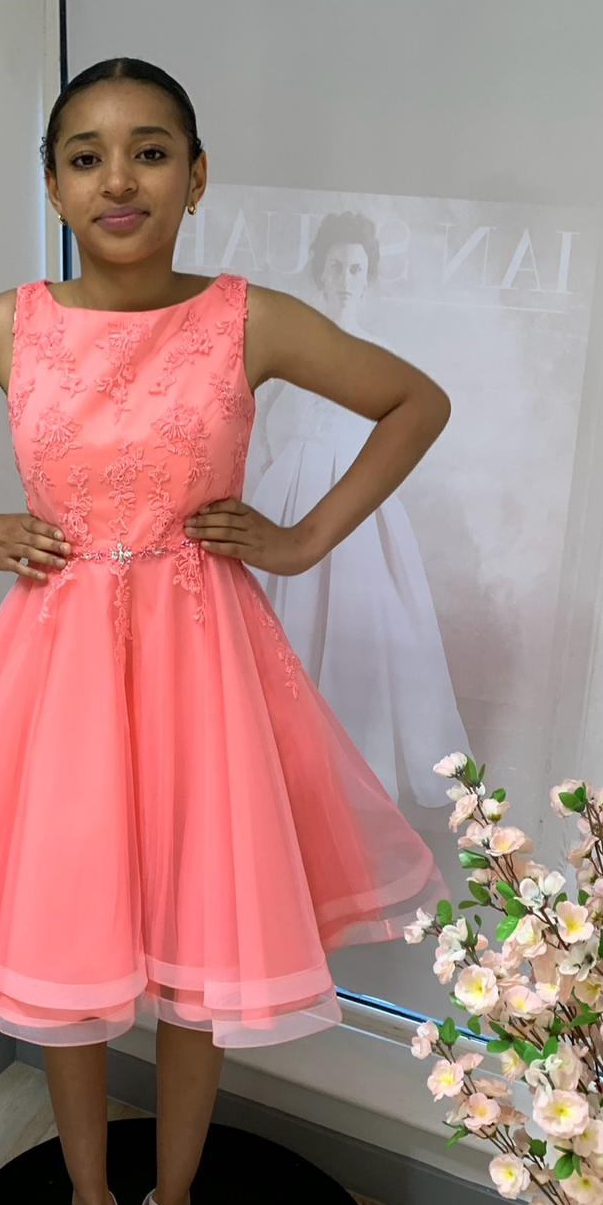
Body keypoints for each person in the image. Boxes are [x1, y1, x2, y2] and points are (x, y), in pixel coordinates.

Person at [0, 57, 453, 1205]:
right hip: (58, 674)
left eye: (151, 150)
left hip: (206, 670)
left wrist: (301, 539)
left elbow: (414, 401)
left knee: (201, 951)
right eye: (87, 155)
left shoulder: (245, 319)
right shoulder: (7, 327)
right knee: (66, 949)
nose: (119, 178)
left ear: (196, 175)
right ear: (54, 183)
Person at [244, 211, 472, 809]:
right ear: (320, 272)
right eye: (337, 266)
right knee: (280, 629)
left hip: (351, 505)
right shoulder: (288, 351)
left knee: (356, 630)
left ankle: (346, 777)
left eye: (356, 269)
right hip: (287, 494)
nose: (345, 278)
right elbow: (261, 425)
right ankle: (279, 769)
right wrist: (274, 481)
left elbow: (403, 424)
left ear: (367, 279)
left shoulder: (379, 354)